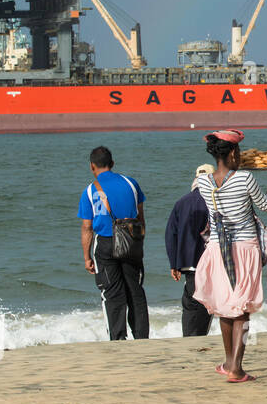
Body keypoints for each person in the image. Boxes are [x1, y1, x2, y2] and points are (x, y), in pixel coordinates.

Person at [193, 130, 267, 383]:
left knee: (225, 308)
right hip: (244, 249)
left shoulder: (203, 182)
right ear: (233, 153)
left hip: (216, 250)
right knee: (242, 310)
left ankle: (228, 362)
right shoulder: (244, 178)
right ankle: (237, 367)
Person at [78, 146, 149, 341]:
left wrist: (86, 258)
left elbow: (87, 227)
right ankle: (142, 337)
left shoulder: (90, 190)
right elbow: (141, 218)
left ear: (92, 166)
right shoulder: (131, 183)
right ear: (112, 163)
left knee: (111, 294)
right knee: (135, 291)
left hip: (105, 244)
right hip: (130, 240)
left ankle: (117, 339)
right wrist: (138, 243)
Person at [165, 163, 214, 337]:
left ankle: (190, 337)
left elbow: (171, 234)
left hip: (188, 264)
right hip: (212, 262)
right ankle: (198, 336)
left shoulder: (181, 203)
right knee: (207, 301)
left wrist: (174, 263)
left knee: (192, 302)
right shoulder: (215, 201)